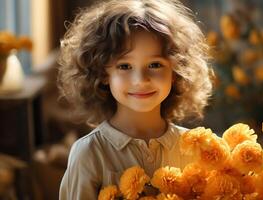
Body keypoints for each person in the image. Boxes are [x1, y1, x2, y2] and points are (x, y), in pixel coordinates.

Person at [58, 0, 213, 199]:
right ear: (103, 73)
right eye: (124, 66)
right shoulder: (89, 154)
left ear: (176, 71)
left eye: (155, 64)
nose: (140, 81)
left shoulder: (196, 148)